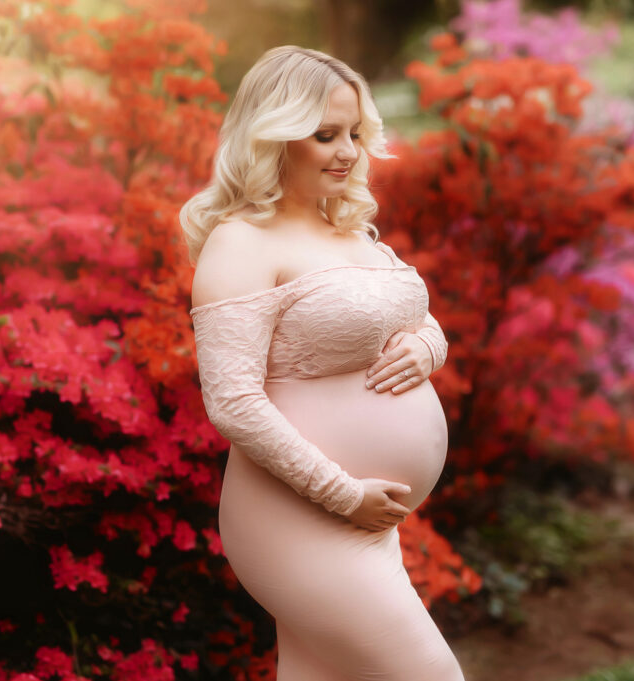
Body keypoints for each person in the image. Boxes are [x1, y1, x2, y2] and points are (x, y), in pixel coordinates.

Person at [182, 45, 464, 681]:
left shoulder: (352, 231)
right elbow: (233, 401)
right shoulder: (241, 242)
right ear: (274, 136)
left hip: (365, 518)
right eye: (325, 135)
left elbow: (416, 319)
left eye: (355, 134)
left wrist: (427, 347)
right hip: (299, 519)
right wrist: (343, 494)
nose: (349, 151)